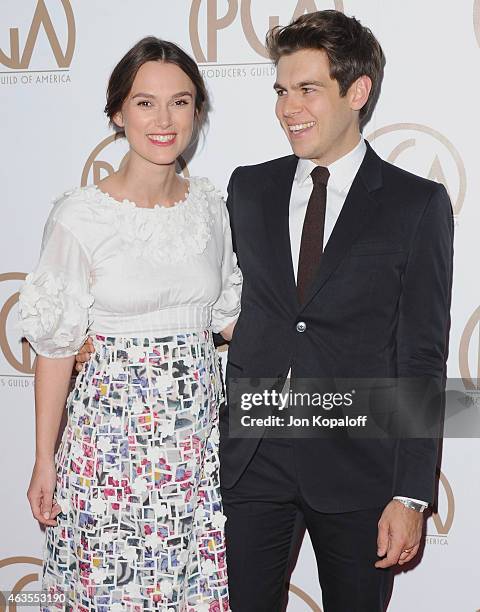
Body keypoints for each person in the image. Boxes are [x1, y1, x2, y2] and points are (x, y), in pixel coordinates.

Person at [218, 10, 453, 612]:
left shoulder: (416, 205)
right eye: (281, 90)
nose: (288, 107)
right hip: (254, 458)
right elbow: (212, 300)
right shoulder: (249, 188)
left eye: (308, 89)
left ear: (357, 91)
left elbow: (421, 356)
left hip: (358, 468)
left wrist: (410, 493)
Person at [20, 36, 240, 611]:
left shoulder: (211, 209)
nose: (164, 120)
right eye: (145, 103)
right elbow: (55, 345)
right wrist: (44, 459)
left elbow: (229, 322)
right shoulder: (80, 216)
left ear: (197, 110)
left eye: (181, 101)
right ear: (118, 113)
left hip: (194, 452)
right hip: (109, 453)